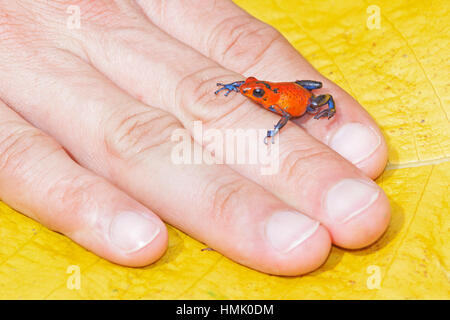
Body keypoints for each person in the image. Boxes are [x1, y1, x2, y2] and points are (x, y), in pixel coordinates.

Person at [0, 0, 390, 275]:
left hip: (296, 99)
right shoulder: (257, 92)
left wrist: (280, 125)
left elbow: (289, 108)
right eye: (251, 91)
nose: (249, 94)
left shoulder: (277, 104)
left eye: (253, 93)